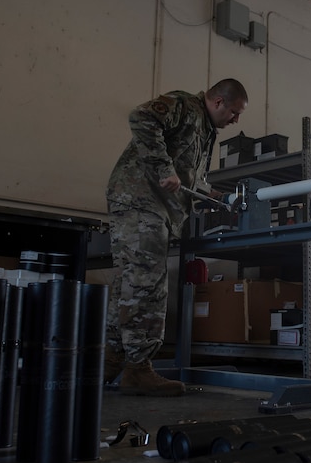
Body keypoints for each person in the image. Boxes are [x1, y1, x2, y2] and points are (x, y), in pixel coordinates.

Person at [106, 78, 248, 397]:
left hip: (151, 206)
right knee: (148, 283)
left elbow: (188, 179)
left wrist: (215, 196)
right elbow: (141, 117)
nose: (236, 120)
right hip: (141, 200)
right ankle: (138, 369)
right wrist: (162, 168)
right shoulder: (184, 106)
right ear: (218, 102)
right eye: (235, 112)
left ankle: (114, 360)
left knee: (130, 283)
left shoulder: (205, 130)